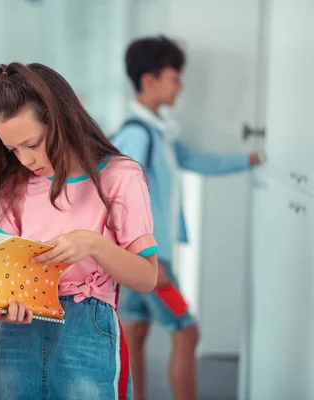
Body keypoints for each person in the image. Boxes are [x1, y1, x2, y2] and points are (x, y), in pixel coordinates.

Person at [0, 62, 159, 400]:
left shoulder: (121, 177)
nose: (26, 159)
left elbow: (147, 278)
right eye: (13, 149)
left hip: (87, 328)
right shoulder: (16, 183)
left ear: (61, 120)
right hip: (19, 332)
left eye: (32, 144)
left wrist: (93, 245)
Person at [112, 35, 264, 400]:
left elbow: (196, 161)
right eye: (175, 77)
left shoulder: (158, 132)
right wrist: (142, 258)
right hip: (148, 256)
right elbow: (117, 198)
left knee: (135, 331)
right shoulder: (138, 136)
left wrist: (249, 160)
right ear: (149, 81)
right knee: (186, 331)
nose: (181, 85)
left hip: (146, 255)